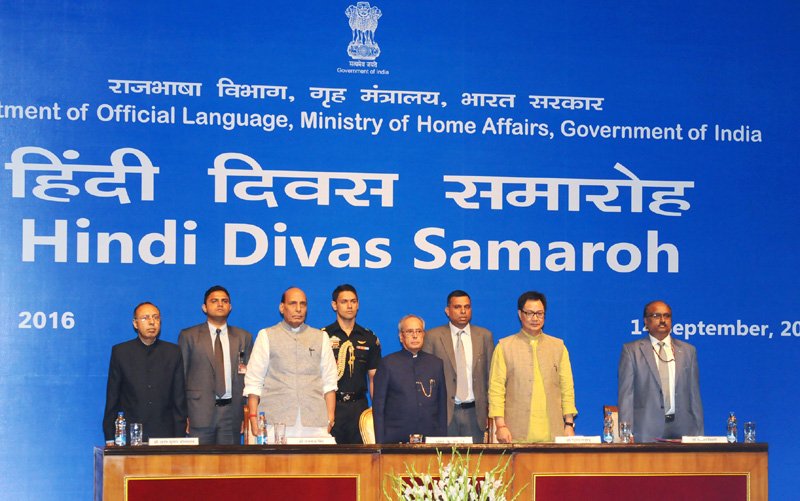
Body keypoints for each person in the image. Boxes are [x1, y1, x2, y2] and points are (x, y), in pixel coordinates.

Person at [243, 287, 337, 439]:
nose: (298, 309)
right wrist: (253, 417)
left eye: (303, 304)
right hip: (275, 421)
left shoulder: (321, 337)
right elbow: (254, 381)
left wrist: (330, 417)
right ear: (282, 307)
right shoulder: (266, 335)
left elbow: (329, 382)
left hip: (315, 422)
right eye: (293, 303)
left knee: (318, 463)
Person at [488, 291, 577, 443]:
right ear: (520, 314)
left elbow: (567, 387)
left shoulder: (558, 346)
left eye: (539, 313)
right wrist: (500, 425)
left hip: (553, 433)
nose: (535, 318)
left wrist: (568, 423)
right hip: (515, 433)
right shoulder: (505, 346)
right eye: (529, 313)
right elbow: (496, 389)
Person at [618, 300, 704, 442]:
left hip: (684, 429)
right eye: (657, 316)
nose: (663, 320)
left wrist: (699, 433)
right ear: (646, 321)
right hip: (646, 429)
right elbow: (626, 395)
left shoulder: (688, 351)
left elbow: (694, 396)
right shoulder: (631, 351)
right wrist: (627, 433)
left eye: (667, 316)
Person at [178, 285, 253, 445]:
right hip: (198, 413)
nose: (220, 304)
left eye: (224, 301)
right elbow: (181, 376)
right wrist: (183, 414)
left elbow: (249, 378)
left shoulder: (243, 337)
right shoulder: (189, 336)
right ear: (204, 307)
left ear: (230, 307)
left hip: (231, 414)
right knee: (200, 466)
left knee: (229, 466)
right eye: (214, 301)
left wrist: (245, 414)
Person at [103, 302, 187, 444]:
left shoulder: (173, 352)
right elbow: (113, 397)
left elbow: (179, 398)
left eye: (156, 317)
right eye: (145, 318)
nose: (152, 322)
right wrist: (110, 437)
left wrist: (179, 438)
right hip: (130, 433)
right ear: (135, 323)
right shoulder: (120, 352)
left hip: (165, 434)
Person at [422, 290, 494, 443]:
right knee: (444, 464)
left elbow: (490, 376)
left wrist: (490, 411)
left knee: (475, 464)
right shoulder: (432, 337)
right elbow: (426, 379)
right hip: (444, 413)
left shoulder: (484, 336)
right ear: (447, 311)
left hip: (475, 414)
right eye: (457, 307)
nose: (463, 311)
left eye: (467, 307)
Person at [373, 315, 447, 443]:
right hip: (395, 438)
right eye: (409, 332)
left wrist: (441, 440)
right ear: (401, 336)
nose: (415, 336)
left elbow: (442, 407)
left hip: (430, 437)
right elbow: (379, 408)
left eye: (418, 331)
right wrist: (380, 445)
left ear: (424, 335)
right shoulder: (388, 364)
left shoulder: (436, 363)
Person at [322, 284, 381, 444]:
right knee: (329, 459)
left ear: (358, 304)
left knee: (361, 457)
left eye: (353, 301)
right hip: (330, 406)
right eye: (344, 301)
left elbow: (374, 378)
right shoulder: (323, 336)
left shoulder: (369, 338)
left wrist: (376, 410)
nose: (349, 306)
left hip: (359, 407)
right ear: (334, 305)